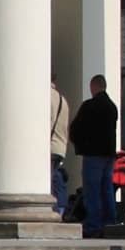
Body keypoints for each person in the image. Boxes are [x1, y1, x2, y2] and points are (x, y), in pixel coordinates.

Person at [70, 75, 120, 237]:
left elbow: (76, 129)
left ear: (93, 87)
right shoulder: (112, 107)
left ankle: (94, 225)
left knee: (92, 191)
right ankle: (110, 222)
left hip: (93, 154)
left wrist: (81, 144)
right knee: (107, 189)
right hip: (109, 155)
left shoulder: (89, 106)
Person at [48, 80, 73, 218]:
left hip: (49, 146)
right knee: (56, 179)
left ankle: (57, 211)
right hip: (59, 146)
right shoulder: (62, 99)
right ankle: (61, 209)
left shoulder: (45, 98)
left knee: (51, 182)